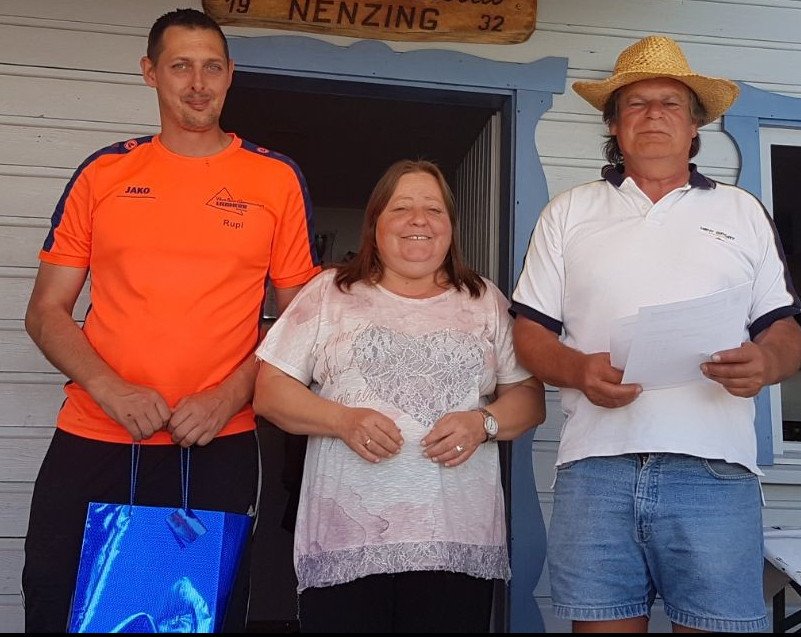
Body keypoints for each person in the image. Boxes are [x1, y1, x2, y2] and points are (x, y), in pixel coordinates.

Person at [22, 8, 321, 633]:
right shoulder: (105, 173)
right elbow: (46, 311)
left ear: (231, 74)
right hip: (96, 434)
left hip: (214, 441)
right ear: (150, 72)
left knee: (193, 618)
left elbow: (302, 322)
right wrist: (110, 388)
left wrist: (227, 397)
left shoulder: (274, 179)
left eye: (212, 67)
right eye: (181, 66)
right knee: (60, 604)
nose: (198, 83)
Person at [511, 35, 801, 633]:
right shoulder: (568, 212)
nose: (653, 115)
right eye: (636, 104)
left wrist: (765, 363)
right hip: (597, 468)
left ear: (695, 126)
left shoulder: (742, 211)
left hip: (715, 469)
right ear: (614, 125)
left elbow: (783, 328)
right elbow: (529, 333)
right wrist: (577, 370)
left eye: (670, 103)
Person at [252, 159, 545, 633]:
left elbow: (529, 397)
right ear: (375, 224)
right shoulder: (330, 292)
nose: (418, 219)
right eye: (401, 207)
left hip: (454, 542)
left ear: (450, 227)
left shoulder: (483, 299)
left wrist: (483, 423)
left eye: (434, 209)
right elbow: (270, 391)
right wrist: (342, 420)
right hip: (346, 541)